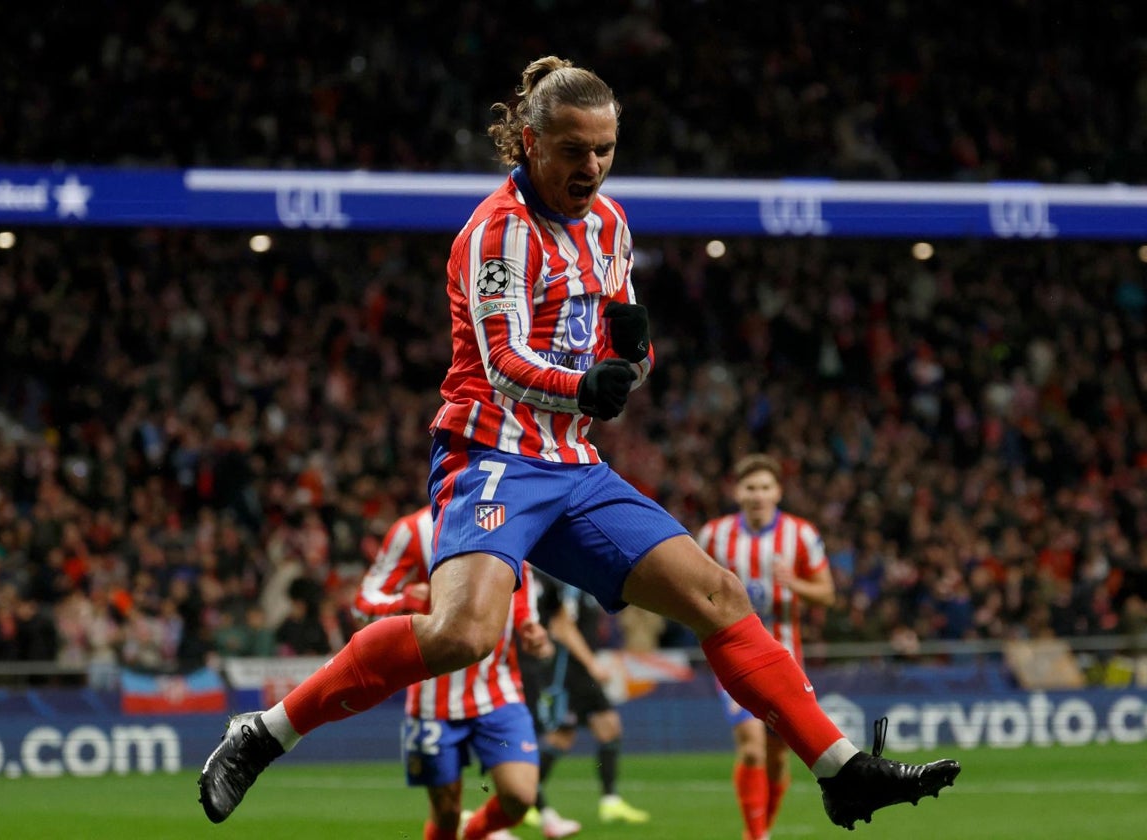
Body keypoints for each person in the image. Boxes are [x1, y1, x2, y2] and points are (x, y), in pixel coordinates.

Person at [198, 55, 960, 832]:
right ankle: (262, 734)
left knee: (720, 595)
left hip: (573, 466)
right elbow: (504, 364)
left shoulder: (611, 224)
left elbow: (622, 366)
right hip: (492, 454)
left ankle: (842, 771)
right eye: (573, 149)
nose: (591, 166)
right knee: (463, 633)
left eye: (603, 149)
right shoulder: (496, 233)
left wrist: (633, 358)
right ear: (530, 142)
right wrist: (588, 388)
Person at [353, 505, 550, 840]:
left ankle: (476, 834)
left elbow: (520, 575)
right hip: (433, 696)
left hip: (497, 689)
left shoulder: (509, 515)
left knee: (520, 797)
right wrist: (405, 600)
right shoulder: (412, 530)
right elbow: (364, 604)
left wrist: (529, 622)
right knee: (446, 814)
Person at [697, 454, 836, 840]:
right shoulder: (713, 535)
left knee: (777, 760)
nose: (757, 495)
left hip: (784, 655)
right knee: (752, 748)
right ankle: (757, 836)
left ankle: (760, 830)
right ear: (737, 492)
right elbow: (693, 585)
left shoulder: (801, 534)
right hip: (732, 652)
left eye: (764, 487)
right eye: (750, 487)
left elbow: (826, 594)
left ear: (778, 492)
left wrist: (794, 583)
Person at [520, 572, 648, 837]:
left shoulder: (586, 583)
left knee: (608, 727)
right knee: (561, 738)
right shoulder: (565, 583)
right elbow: (561, 627)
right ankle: (525, 797)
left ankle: (609, 802)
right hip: (569, 671)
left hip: (581, 671)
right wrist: (592, 664)